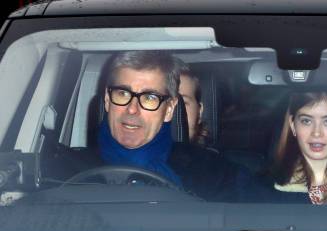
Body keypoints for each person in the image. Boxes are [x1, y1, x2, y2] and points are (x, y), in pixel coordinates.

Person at [60, 50, 247, 201]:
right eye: (123, 94)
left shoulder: (210, 172)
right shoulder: (64, 171)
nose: (132, 109)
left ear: (169, 110)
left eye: (150, 98)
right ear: (108, 100)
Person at [174, 57, 208, 145]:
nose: (169, 114)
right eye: (153, 100)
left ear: (199, 113)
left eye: (180, 104)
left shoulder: (215, 159)